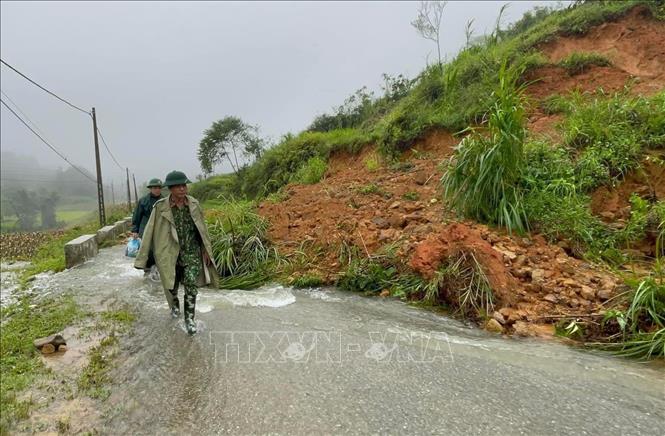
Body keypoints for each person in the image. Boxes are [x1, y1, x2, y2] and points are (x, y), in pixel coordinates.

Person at [134, 170, 218, 335]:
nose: (182, 189)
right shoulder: (160, 208)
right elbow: (149, 231)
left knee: (191, 285)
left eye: (184, 185)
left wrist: (206, 250)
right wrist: (142, 259)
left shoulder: (193, 204)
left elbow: (202, 229)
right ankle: (174, 306)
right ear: (170, 189)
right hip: (169, 253)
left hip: (191, 252)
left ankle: (189, 319)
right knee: (171, 285)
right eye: (178, 186)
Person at [131, 178, 164, 274]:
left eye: (159, 188)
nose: (157, 190)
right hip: (145, 228)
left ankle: (159, 269)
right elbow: (137, 216)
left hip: (160, 228)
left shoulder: (165, 200)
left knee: (160, 249)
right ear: (150, 189)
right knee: (147, 249)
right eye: (155, 188)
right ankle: (147, 269)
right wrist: (135, 230)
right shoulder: (143, 201)